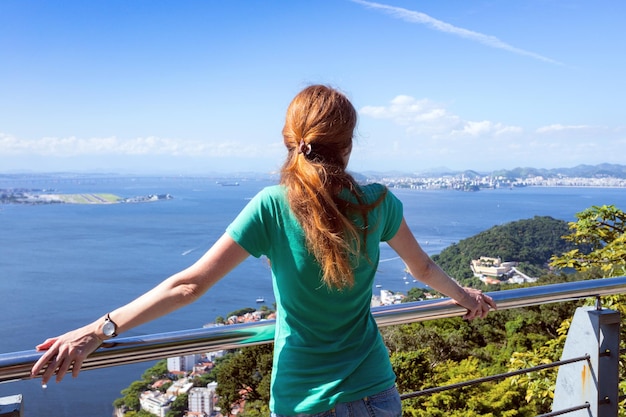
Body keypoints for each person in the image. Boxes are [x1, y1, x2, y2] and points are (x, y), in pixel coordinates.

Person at [31, 85, 496, 417]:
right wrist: (467, 298)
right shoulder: (378, 201)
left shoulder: (274, 205)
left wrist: (100, 328)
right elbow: (424, 268)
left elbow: (190, 285)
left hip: (305, 398)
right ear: (348, 144)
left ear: (290, 141)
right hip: (377, 391)